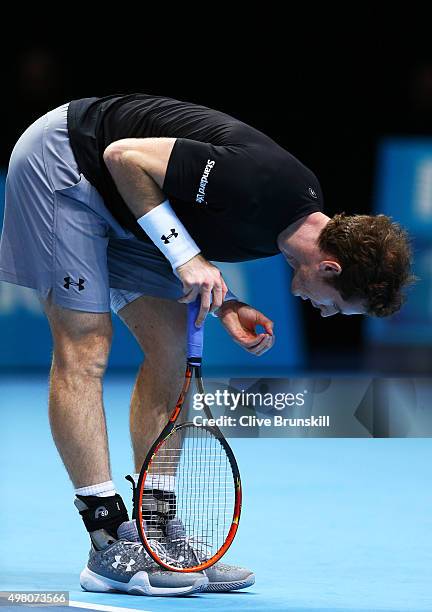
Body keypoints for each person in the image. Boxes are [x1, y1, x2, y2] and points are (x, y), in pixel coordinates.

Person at [0, 93, 413, 597]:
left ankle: (156, 532)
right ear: (331, 268)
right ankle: (107, 539)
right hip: (67, 160)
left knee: (172, 353)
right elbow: (124, 157)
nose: (325, 312)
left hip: (123, 205)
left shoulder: (283, 230)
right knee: (86, 349)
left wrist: (225, 304)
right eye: (336, 305)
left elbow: (176, 221)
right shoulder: (266, 184)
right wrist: (187, 258)